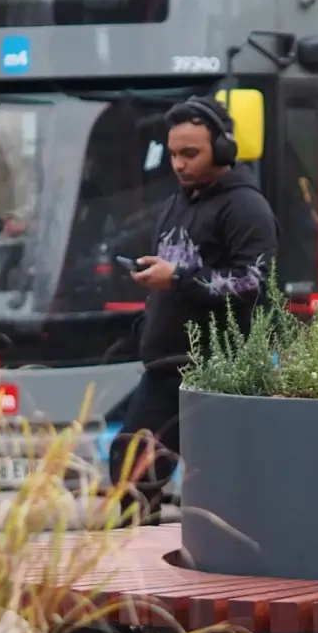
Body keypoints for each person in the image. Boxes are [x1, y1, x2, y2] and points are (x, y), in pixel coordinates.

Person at [110, 96, 277, 522]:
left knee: (216, 491)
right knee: (131, 464)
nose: (179, 164)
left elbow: (251, 281)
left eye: (191, 153)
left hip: (216, 369)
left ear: (222, 150)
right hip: (165, 367)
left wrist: (180, 279)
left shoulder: (246, 207)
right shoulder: (177, 203)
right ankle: (135, 568)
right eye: (173, 154)